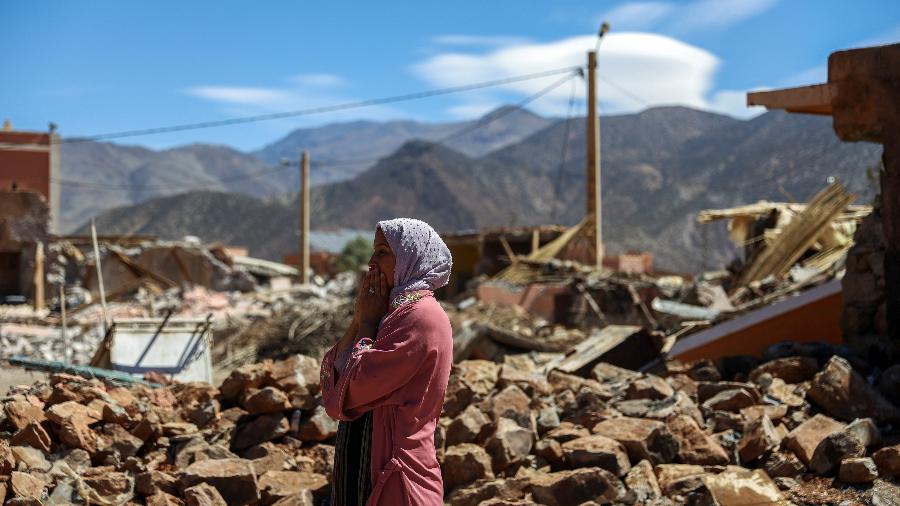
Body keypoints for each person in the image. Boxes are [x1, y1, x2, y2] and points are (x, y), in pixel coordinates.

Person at [320, 218, 453, 505]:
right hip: (363, 474)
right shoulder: (390, 314)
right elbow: (334, 383)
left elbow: (352, 390)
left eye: (382, 252)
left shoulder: (420, 317)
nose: (370, 262)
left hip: (396, 480)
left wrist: (367, 322)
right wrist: (360, 318)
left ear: (409, 256)